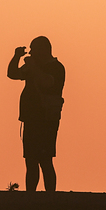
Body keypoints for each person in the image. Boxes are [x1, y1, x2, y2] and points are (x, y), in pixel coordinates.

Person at [7, 36, 65, 192]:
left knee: (46, 160)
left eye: (34, 49)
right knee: (31, 160)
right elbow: (12, 74)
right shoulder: (34, 66)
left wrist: (33, 67)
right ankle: (30, 196)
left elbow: (47, 82)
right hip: (31, 119)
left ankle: (50, 197)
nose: (31, 53)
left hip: (46, 120)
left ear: (43, 50)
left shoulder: (57, 67)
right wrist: (16, 57)